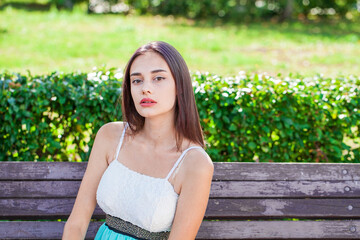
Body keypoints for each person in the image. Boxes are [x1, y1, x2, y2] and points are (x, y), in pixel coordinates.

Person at [62, 41, 214, 240]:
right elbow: (76, 224)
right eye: (137, 80)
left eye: (158, 78)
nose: (146, 89)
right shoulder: (110, 136)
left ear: (179, 86)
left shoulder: (195, 163)